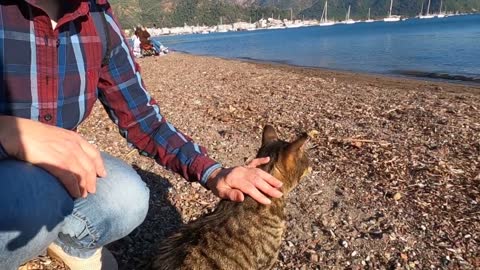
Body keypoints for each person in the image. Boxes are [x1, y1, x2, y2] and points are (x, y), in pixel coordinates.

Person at [0, 1, 283, 270]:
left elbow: (145, 121)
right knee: (28, 206)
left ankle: (67, 241)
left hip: (61, 158)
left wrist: (213, 173)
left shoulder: (98, 17)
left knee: (128, 199)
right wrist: (9, 131)